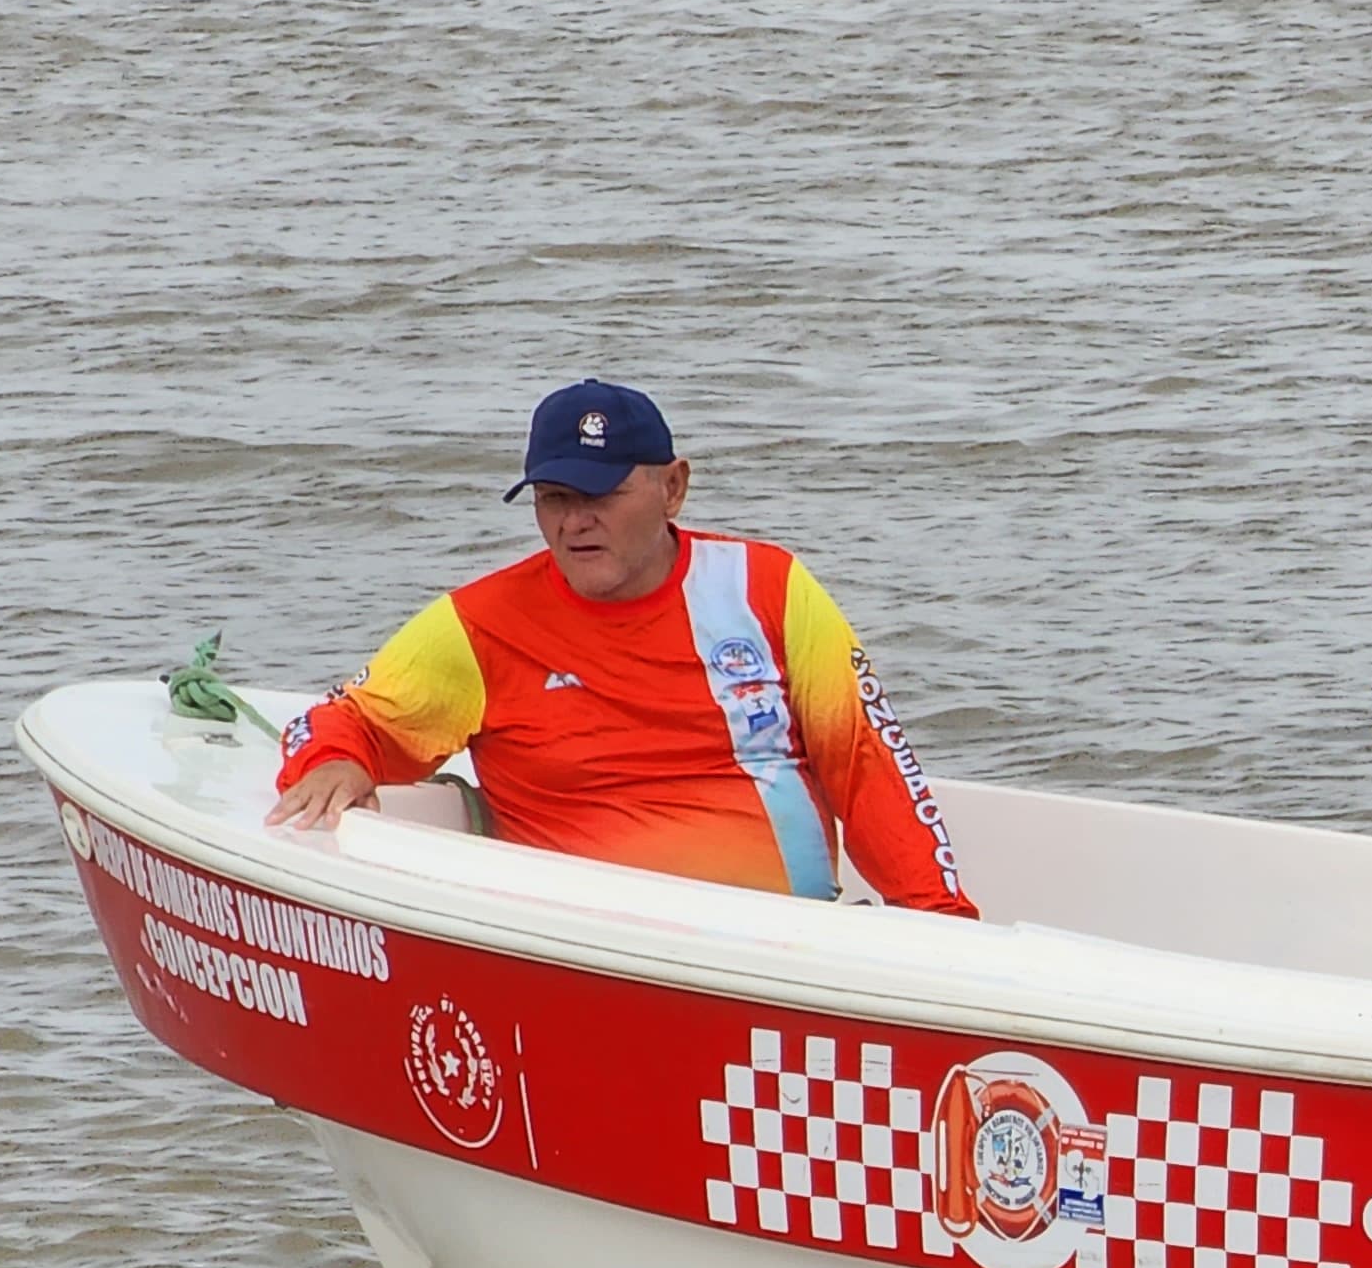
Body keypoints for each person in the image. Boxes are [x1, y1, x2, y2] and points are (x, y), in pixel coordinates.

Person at [269, 379, 977, 915]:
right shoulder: (478, 625)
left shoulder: (771, 590)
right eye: (553, 498)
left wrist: (941, 926)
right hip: (593, 951)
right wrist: (335, 760)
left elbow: (870, 768)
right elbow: (347, 718)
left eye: (601, 494)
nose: (575, 522)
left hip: (785, 945)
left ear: (673, 488)